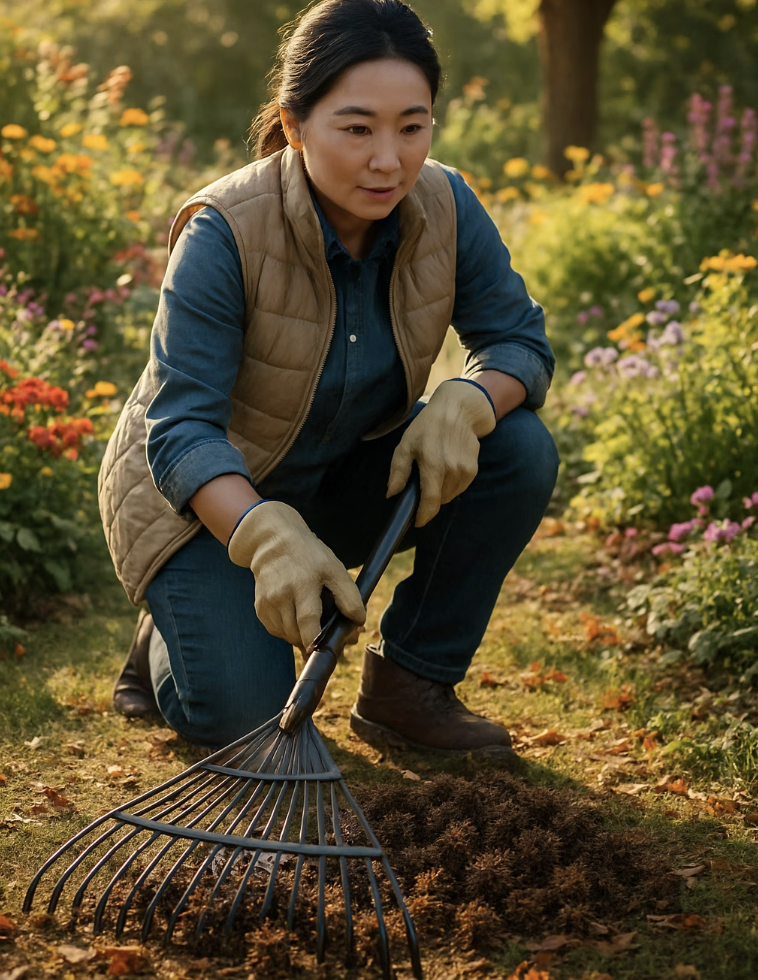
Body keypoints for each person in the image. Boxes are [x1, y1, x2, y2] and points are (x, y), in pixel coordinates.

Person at [102, 0, 558, 762]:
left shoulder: (444, 205)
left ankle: (409, 687)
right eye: (357, 128)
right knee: (247, 724)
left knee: (517, 446)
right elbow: (180, 432)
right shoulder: (225, 231)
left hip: (340, 474)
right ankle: (165, 642)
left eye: (412, 126)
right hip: (206, 503)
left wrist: (470, 397)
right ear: (293, 123)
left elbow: (519, 340)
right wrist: (265, 533)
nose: (389, 160)